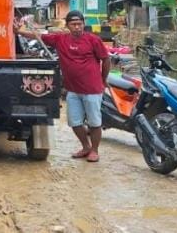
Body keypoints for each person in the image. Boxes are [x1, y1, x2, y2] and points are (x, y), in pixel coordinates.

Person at [16, 10, 110, 162]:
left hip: (92, 89)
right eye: (73, 24)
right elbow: (38, 36)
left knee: (94, 122)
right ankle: (85, 146)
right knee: (74, 122)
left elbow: (105, 60)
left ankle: (94, 150)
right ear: (67, 26)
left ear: (84, 24)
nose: (77, 27)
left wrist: (103, 79)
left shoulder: (93, 40)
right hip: (72, 90)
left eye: (80, 24)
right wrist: (20, 31)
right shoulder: (60, 39)